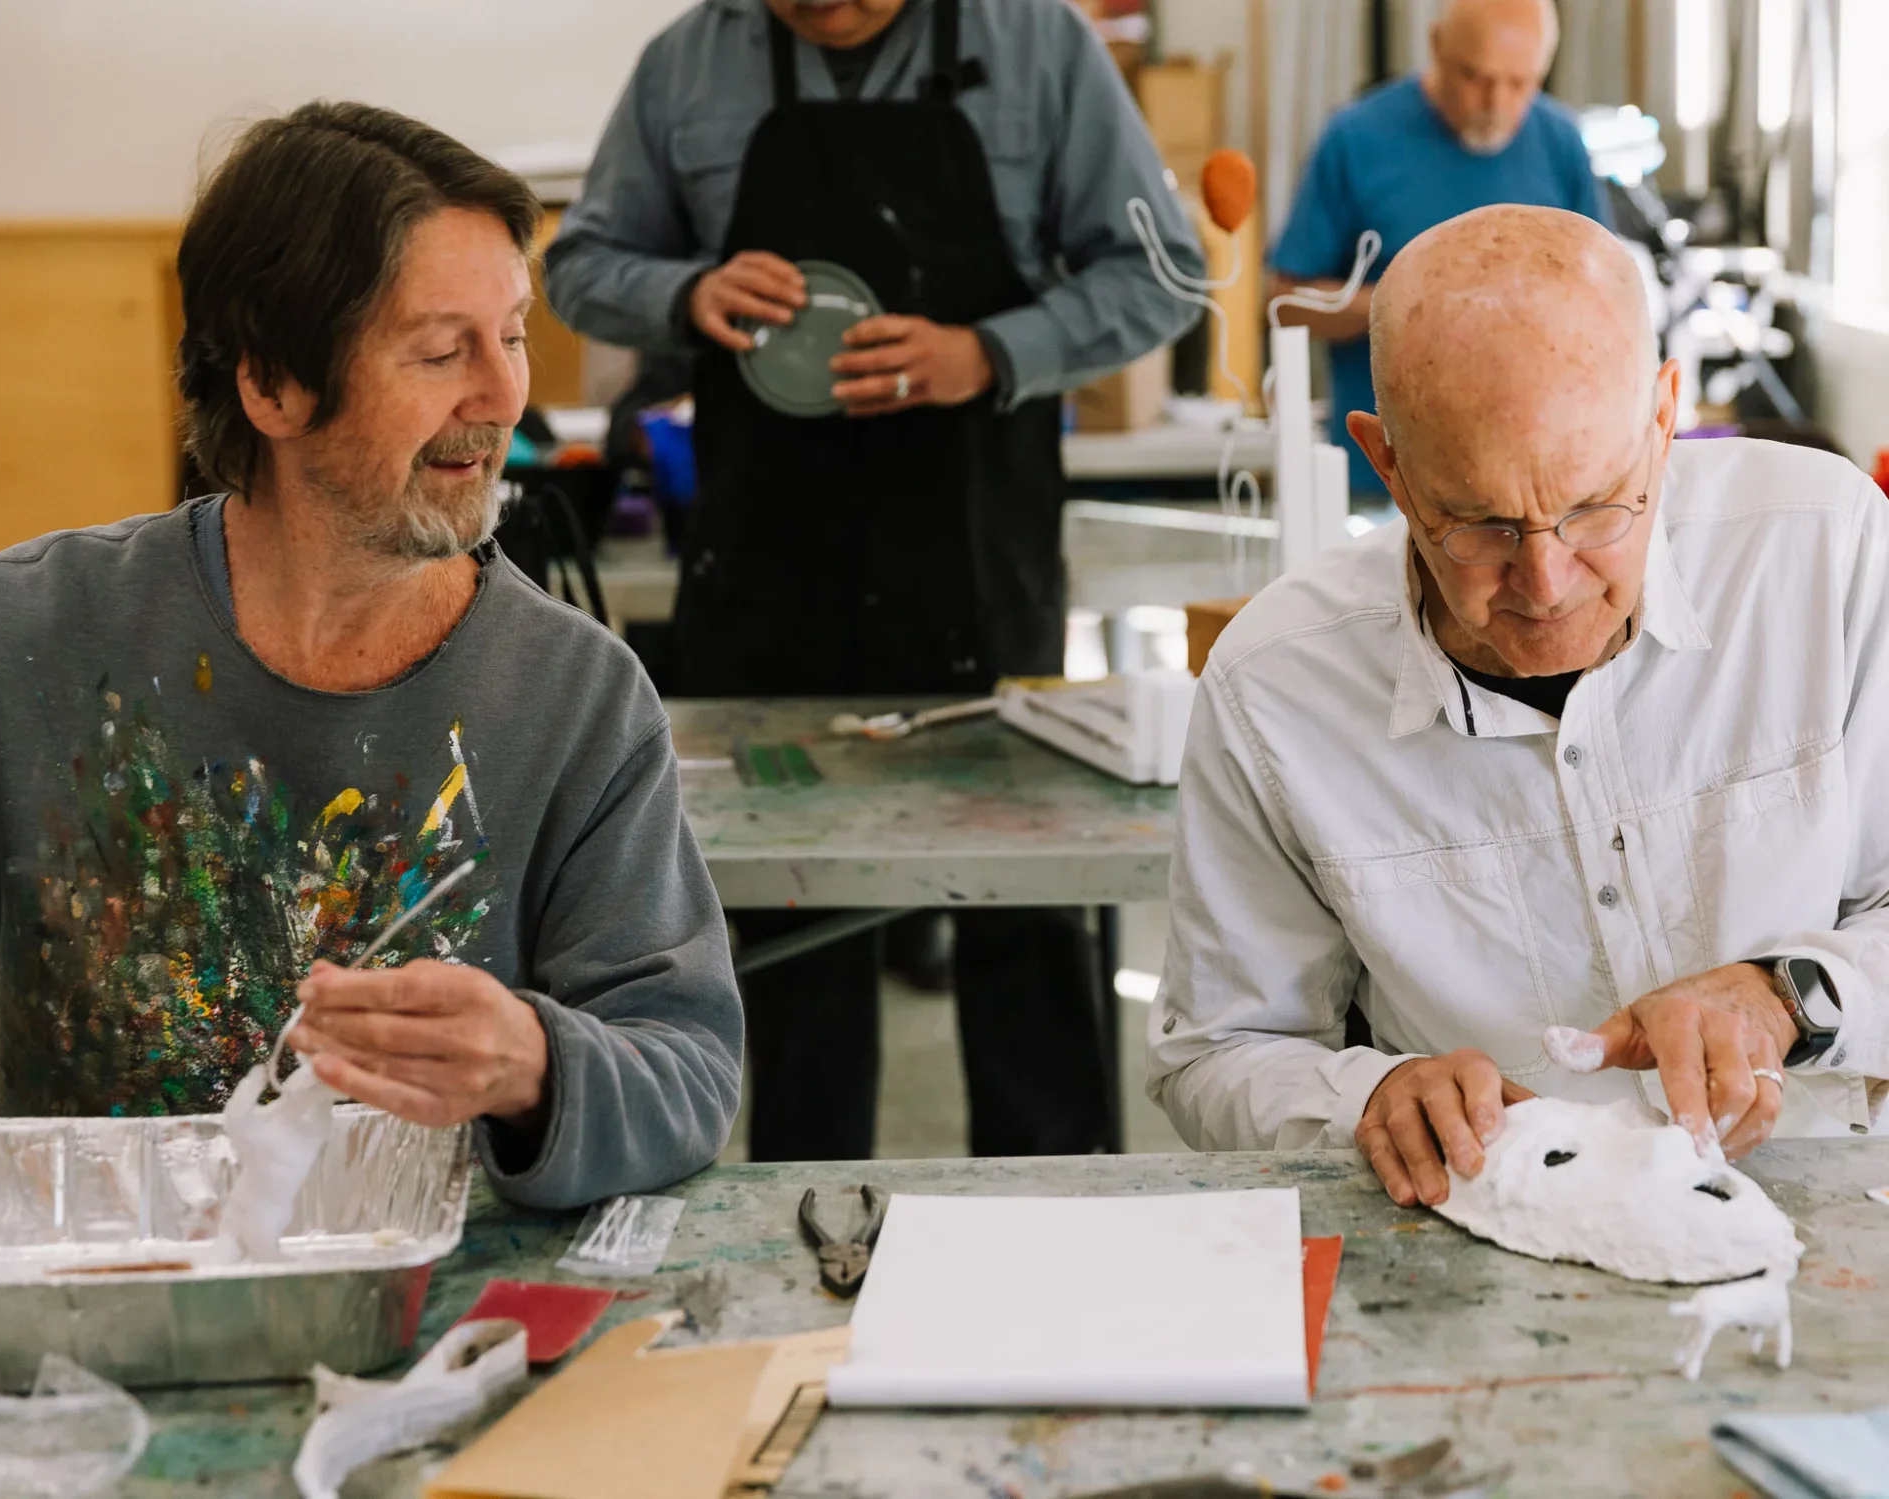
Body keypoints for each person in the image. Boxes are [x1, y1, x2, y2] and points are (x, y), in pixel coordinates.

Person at [0, 102, 744, 1211]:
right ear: (273, 384)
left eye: (512, 333)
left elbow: (689, 1068)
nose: (502, 395)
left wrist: (533, 1064)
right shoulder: (21, 637)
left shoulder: (575, 694)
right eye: (440, 350)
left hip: (418, 1339)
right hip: (74, 1338)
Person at [545, 0, 1204, 1161]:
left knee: (1033, 936)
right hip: (766, 577)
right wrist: (686, 292)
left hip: (979, 575)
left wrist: (992, 351)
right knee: (792, 948)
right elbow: (581, 266)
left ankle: (1059, 1262)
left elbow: (1163, 275)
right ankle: (802, 1292)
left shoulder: (1040, 47)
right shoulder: (685, 67)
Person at [1149, 205, 1888, 1209]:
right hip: (1488, 1247)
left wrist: (1787, 994)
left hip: (1834, 1210)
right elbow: (1216, 1048)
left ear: (1665, 419)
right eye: (1481, 523)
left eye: (1595, 506)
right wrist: (1372, 1095)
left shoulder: (1828, 550)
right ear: (1391, 468)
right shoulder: (1275, 688)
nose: (1545, 583)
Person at [1268, 0, 1609, 497]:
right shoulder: (1356, 140)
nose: (1495, 102)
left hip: (1537, 482)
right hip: (1387, 478)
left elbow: (1600, 299)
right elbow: (1285, 304)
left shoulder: (1560, 143)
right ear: (1436, 47)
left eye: (1520, 84)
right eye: (1475, 77)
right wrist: (1422, 305)